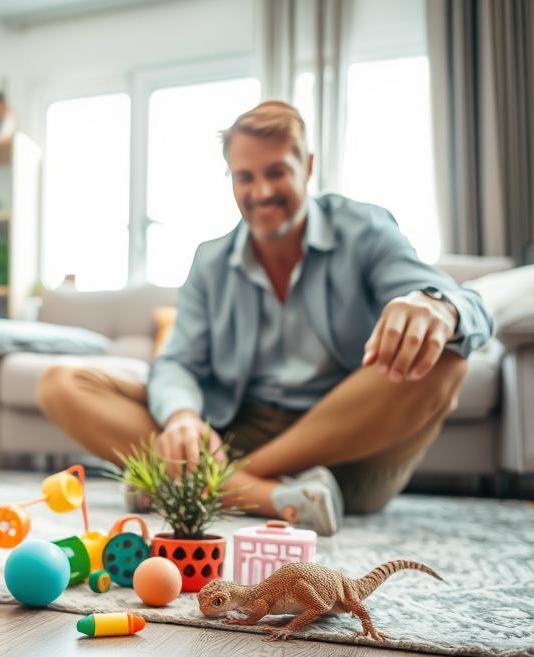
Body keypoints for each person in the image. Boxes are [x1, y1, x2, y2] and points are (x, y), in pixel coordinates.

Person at [37, 100, 493, 535]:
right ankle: (262, 494)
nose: (261, 192)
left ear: (308, 166)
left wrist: (438, 305)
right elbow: (177, 363)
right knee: (60, 383)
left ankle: (204, 487)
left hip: (347, 451)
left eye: (277, 172)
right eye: (244, 177)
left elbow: (471, 309)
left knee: (447, 357)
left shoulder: (365, 229)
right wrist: (181, 418)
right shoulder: (209, 260)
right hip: (238, 429)